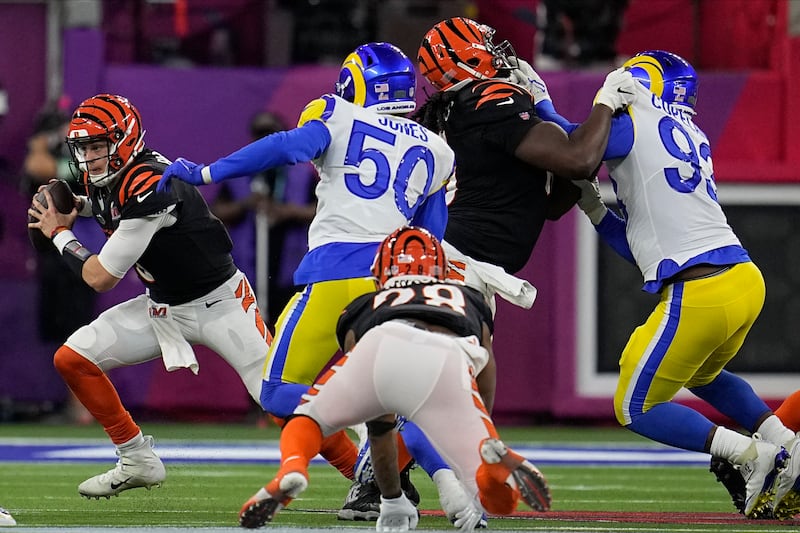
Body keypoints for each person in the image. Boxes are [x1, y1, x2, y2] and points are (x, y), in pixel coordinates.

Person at [158, 42, 462, 520]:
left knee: (277, 391)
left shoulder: (336, 113)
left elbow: (288, 146)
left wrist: (206, 172)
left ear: (356, 82)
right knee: (405, 395)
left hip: (335, 277)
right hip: (394, 285)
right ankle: (398, 450)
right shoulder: (439, 150)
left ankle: (370, 420)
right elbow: (430, 238)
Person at [531, 50, 800, 519]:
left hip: (701, 290)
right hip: (742, 280)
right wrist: (596, 209)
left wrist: (539, 98)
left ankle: (756, 456)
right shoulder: (691, 133)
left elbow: (571, 143)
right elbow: (645, 246)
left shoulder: (634, 121)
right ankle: (787, 442)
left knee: (635, 407)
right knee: (703, 376)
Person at [26, 93, 271, 499]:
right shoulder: (111, 178)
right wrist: (80, 208)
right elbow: (108, 204)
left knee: (276, 397)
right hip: (163, 306)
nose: (90, 157)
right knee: (73, 358)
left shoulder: (148, 183)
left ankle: (363, 474)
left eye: (98, 146)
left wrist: (59, 233)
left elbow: (100, 276)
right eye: (84, 148)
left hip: (218, 301)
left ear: (124, 142)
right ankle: (136, 457)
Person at [238, 226, 551, 531]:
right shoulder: (468, 298)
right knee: (491, 493)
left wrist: (391, 498)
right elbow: (486, 375)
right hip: (447, 359)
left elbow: (379, 423)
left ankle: (293, 466)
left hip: (381, 343)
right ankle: (487, 469)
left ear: (380, 273)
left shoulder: (361, 306)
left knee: (306, 421)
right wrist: (482, 433)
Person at [21, 97, 96, 424]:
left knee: (78, 332)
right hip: (54, 258)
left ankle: (83, 408)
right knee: (63, 333)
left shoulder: (77, 161)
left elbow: (42, 169)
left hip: (78, 254)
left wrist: (39, 145)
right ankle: (76, 405)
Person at [209, 110, 317, 329]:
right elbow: (215, 212)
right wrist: (244, 204)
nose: (265, 141)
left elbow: (322, 208)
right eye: (260, 134)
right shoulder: (240, 173)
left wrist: (289, 211)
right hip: (248, 270)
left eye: (271, 134)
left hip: (291, 270)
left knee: (287, 328)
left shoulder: (303, 174)